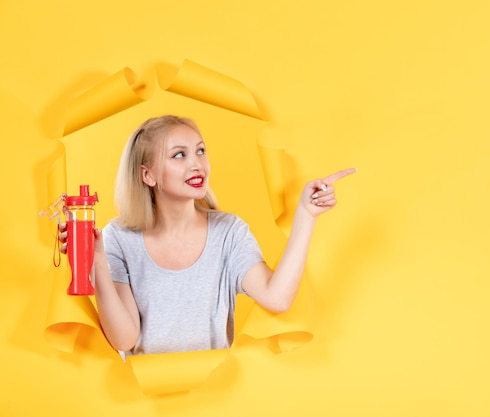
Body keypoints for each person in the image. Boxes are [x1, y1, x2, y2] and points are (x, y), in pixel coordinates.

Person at [58, 115, 356, 355]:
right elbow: (124, 339)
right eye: (179, 155)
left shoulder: (228, 232)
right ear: (147, 175)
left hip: (214, 400)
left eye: (200, 150)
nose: (196, 163)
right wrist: (96, 261)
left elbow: (276, 297)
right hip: (143, 401)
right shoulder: (120, 238)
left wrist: (305, 215)